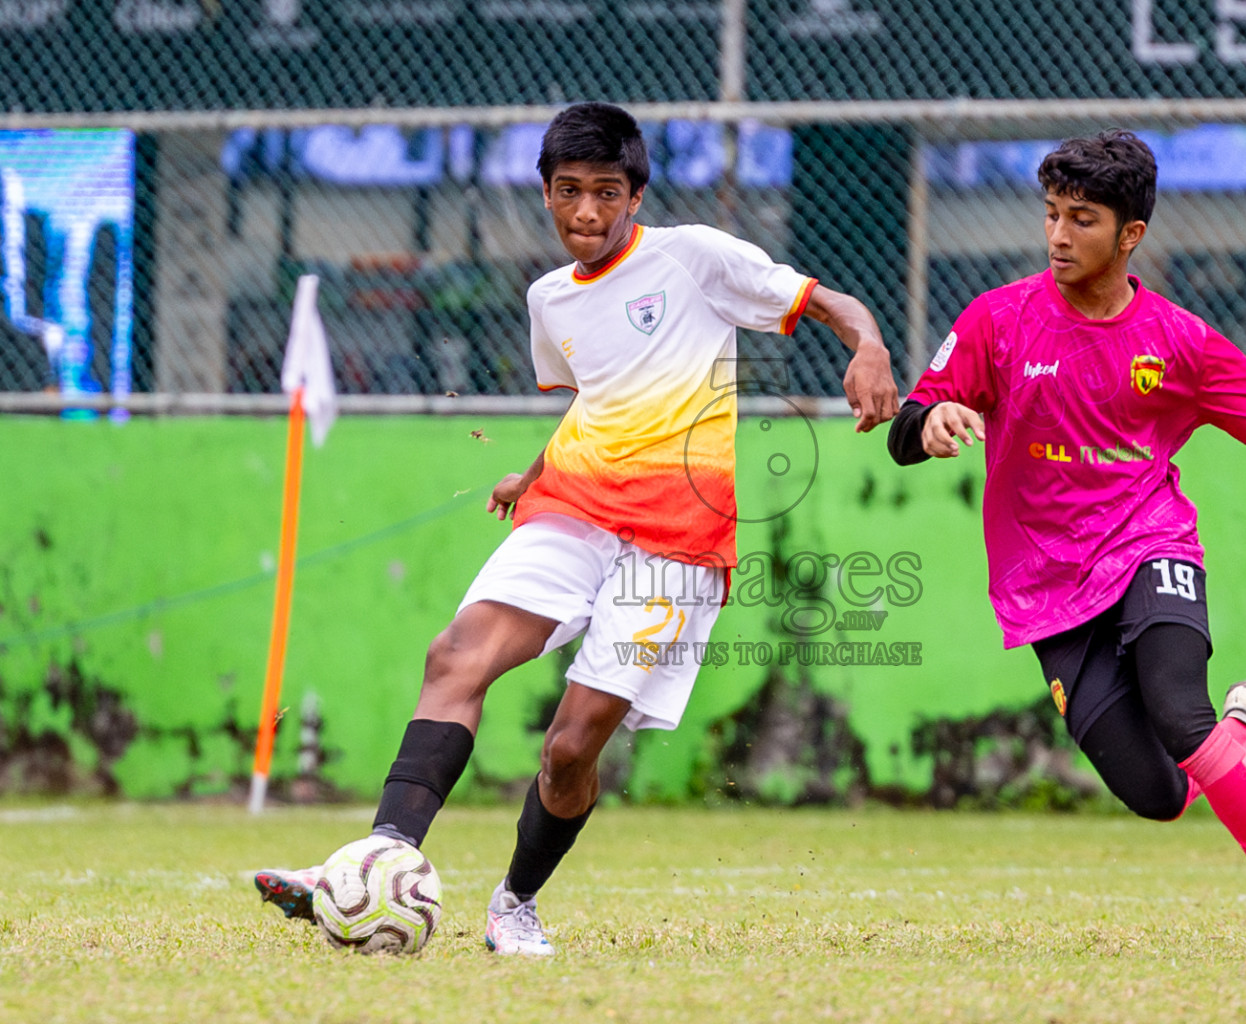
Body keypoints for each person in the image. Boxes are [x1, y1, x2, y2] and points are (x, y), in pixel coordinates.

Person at [255, 101, 900, 955]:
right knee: (455, 657)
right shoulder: (548, 298)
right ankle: (377, 861)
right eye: (568, 192)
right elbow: (601, 399)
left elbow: (833, 302)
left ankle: (514, 903)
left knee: (570, 747)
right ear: (546, 196)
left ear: (636, 194)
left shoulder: (694, 257)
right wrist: (531, 473)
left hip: (676, 541)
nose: (586, 213)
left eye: (605, 192)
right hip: (574, 507)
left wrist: (872, 347)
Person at [886, 129, 1246, 961]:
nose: (1059, 235)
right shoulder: (999, 319)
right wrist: (934, 419)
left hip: (1149, 545)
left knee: (1178, 708)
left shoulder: (1183, 344)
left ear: (1131, 235)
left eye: (1083, 219)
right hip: (1045, 587)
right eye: (1053, 214)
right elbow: (906, 429)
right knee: (1158, 795)